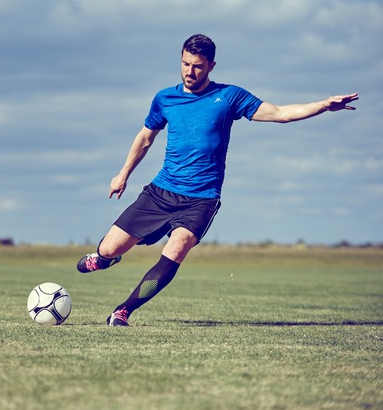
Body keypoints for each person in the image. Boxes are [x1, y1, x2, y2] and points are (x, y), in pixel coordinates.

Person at [76, 34, 359, 327]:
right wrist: (123, 174)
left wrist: (324, 105)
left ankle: (122, 311)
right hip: (161, 192)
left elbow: (279, 113)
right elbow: (146, 137)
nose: (189, 71)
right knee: (110, 247)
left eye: (197, 66)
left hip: (201, 199)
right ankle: (107, 258)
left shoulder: (229, 97)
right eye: (185, 64)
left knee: (176, 248)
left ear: (211, 66)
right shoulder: (165, 99)